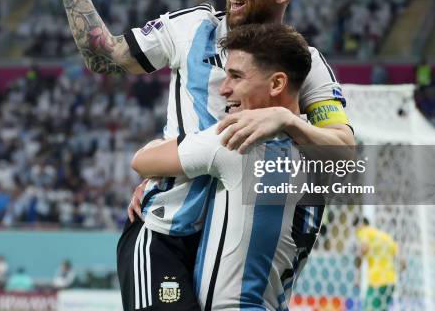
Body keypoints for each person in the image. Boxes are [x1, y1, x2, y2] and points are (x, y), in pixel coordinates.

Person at [52, 0, 354, 310]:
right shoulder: (192, 26)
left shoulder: (304, 63)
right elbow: (104, 57)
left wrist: (290, 121)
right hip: (167, 233)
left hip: (237, 247)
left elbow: (345, 152)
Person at [131, 23, 324, 309]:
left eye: (235, 76)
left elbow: (142, 162)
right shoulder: (320, 154)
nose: (223, 89)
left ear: (276, 84)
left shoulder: (237, 141)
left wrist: (154, 167)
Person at [354, 217, 401, 311]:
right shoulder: (386, 236)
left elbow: (364, 249)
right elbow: (403, 263)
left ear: (361, 225)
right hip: (391, 281)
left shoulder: (365, 232)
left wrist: (357, 264)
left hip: (377, 281)